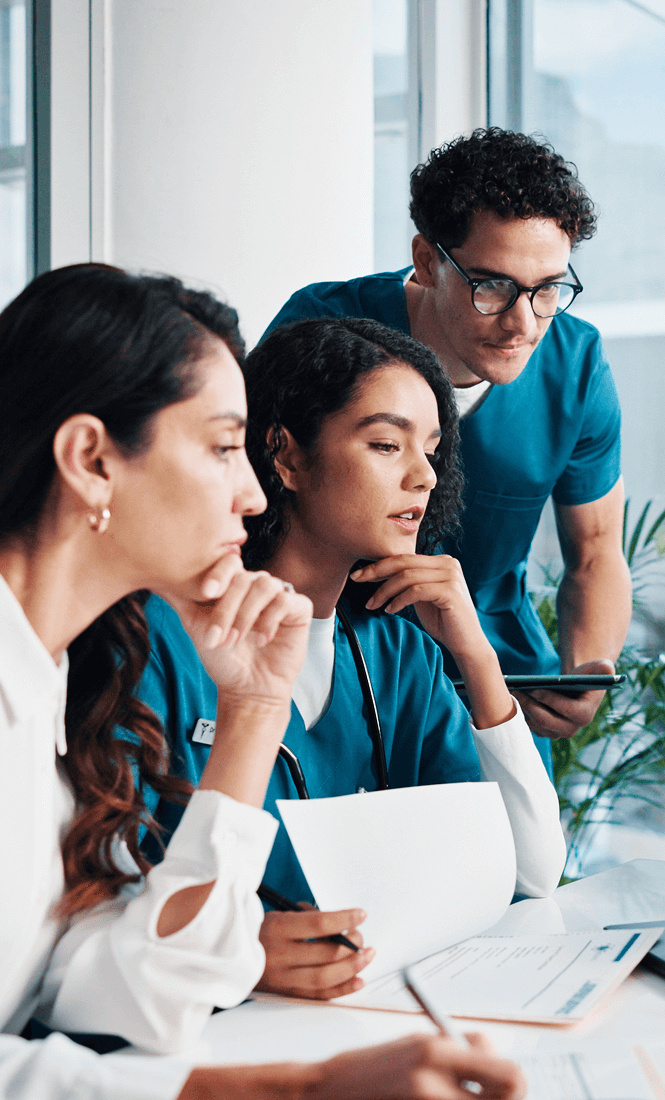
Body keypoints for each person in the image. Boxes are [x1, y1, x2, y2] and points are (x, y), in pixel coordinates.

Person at [0, 263, 524, 1099]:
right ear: (92, 461)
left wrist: (252, 713)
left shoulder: (45, 690)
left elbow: (144, 990)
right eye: (219, 448)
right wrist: (302, 1090)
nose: (249, 495)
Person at [140, 316, 566, 1001]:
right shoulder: (163, 636)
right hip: (206, 1027)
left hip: (372, 1013)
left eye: (431, 449)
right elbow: (97, 891)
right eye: (385, 444)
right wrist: (238, 952)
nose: (422, 476)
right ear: (285, 456)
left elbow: (530, 872)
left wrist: (477, 657)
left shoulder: (400, 652)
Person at [263, 128, 632, 765]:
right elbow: (244, 502)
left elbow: (597, 549)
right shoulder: (323, 333)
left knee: (521, 855)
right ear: (428, 260)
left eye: (548, 289)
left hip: (494, 666)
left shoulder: (575, 364)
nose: (524, 324)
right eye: (492, 286)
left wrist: (589, 666)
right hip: (341, 656)